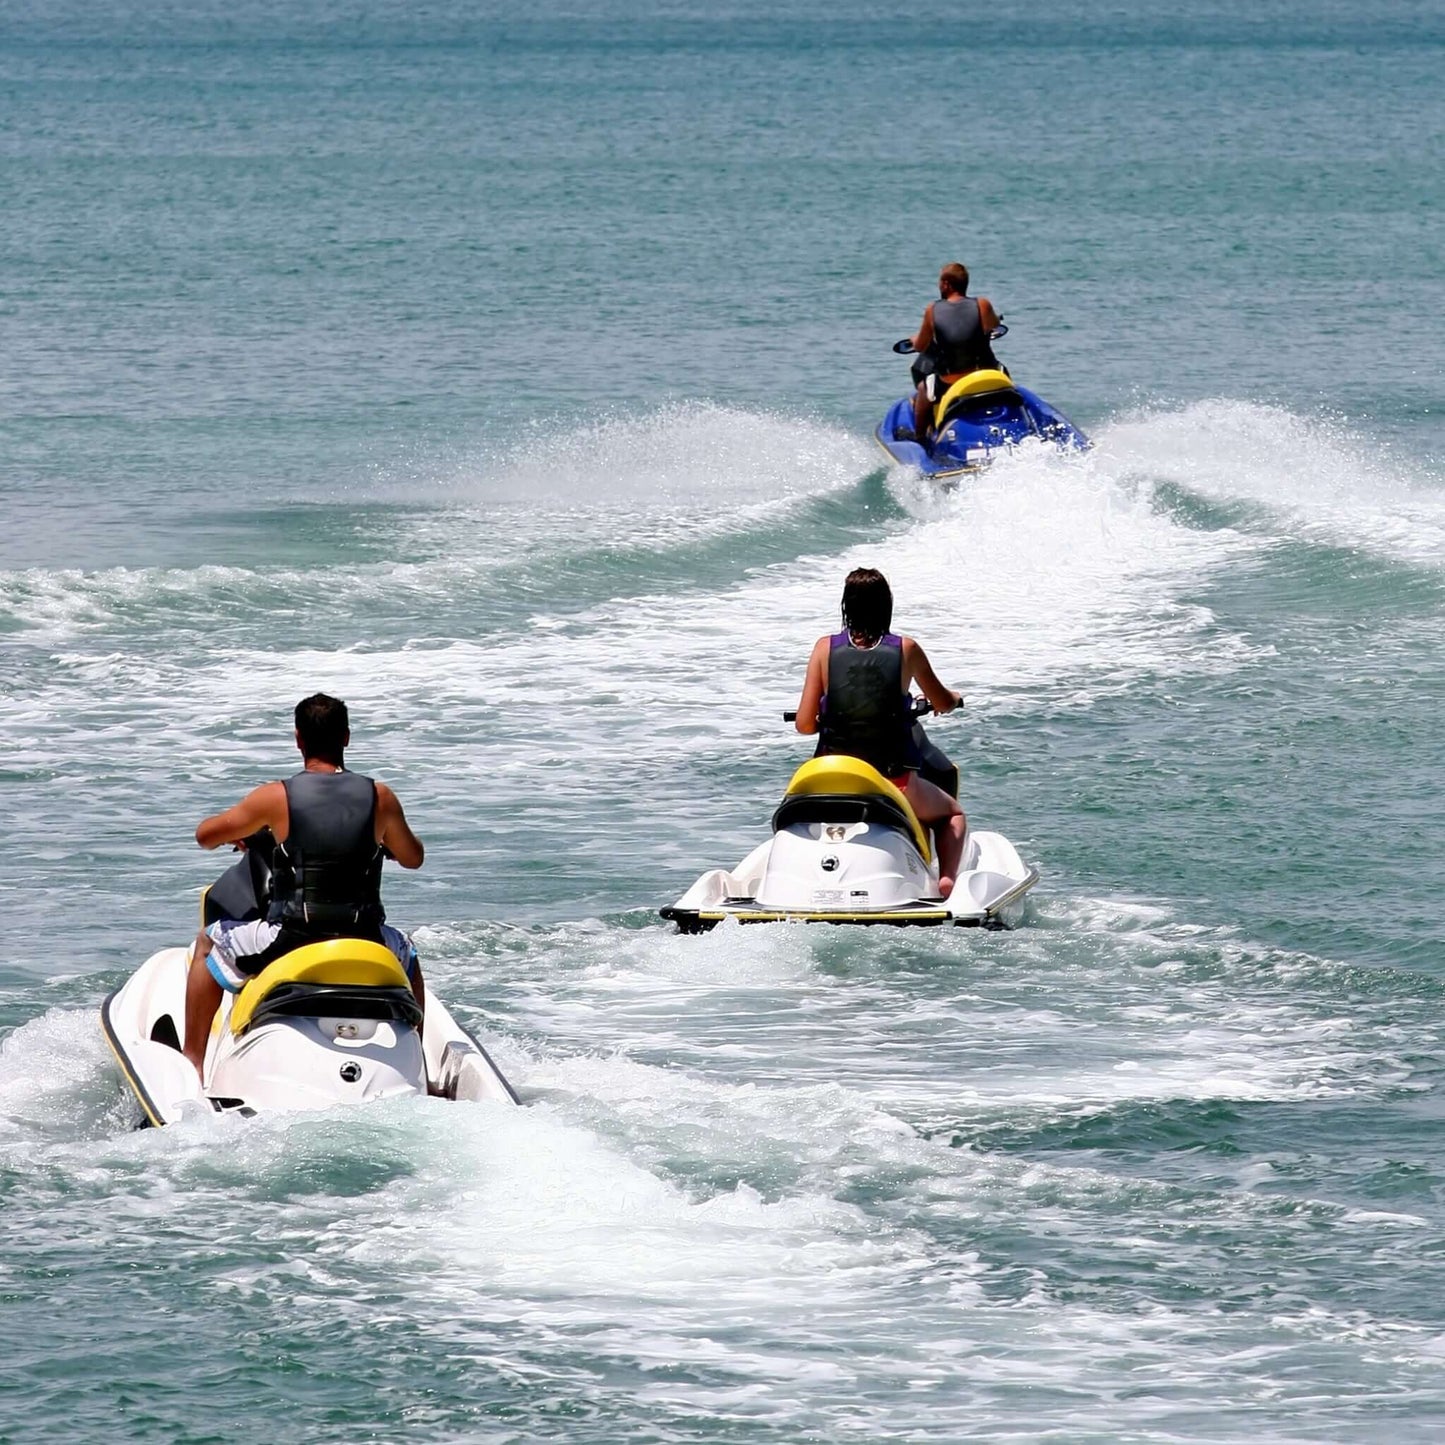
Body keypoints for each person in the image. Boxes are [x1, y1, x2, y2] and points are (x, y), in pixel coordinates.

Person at [181, 693, 426, 1079]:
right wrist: (382, 842)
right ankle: (421, 1069)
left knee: (207, 943)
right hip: (365, 936)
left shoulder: (275, 797)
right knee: (408, 954)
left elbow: (205, 836)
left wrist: (251, 829)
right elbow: (413, 857)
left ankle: (191, 1063)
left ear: (298, 739)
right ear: (346, 737)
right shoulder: (380, 797)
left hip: (292, 936)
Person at [793, 569, 968, 897]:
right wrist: (953, 700)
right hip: (891, 780)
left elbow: (804, 725)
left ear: (846, 605)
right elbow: (942, 701)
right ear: (887, 605)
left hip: (831, 777)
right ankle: (946, 882)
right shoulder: (906, 649)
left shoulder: (822, 649)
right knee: (953, 815)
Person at [906, 262, 1003, 440]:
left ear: (946, 284)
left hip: (952, 381)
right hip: (985, 374)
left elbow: (920, 345)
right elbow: (994, 324)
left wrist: (913, 340)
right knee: (1003, 371)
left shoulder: (932, 310)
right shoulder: (983, 304)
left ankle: (919, 438)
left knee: (923, 388)